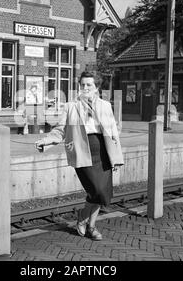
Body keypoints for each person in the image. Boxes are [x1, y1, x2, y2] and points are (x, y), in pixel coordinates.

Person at [35, 71, 124, 241]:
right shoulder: (71, 107)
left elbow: (113, 132)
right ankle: (83, 215)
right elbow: (61, 130)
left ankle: (91, 226)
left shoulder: (105, 106)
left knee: (102, 193)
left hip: (103, 152)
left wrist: (117, 157)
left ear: (96, 87)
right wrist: (46, 141)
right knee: (95, 189)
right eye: (82, 85)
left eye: (89, 85)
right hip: (83, 152)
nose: (85, 88)